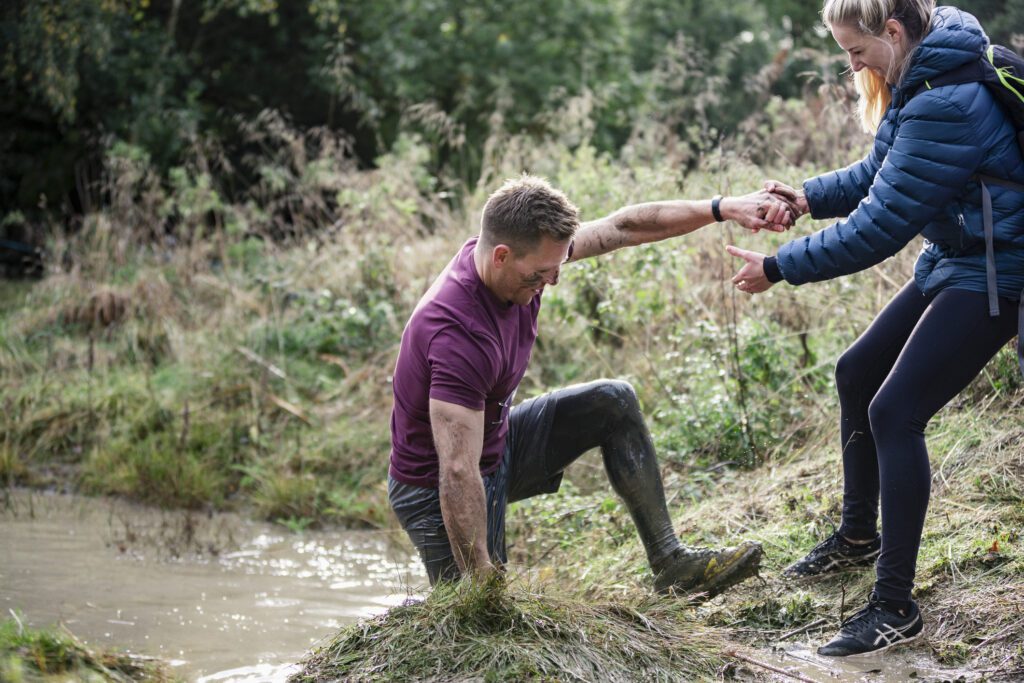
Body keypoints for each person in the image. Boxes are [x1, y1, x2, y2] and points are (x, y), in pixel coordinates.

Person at [727, 0, 1024, 657]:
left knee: (895, 411)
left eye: (856, 52)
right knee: (857, 372)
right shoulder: (925, 69)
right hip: (958, 253)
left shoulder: (945, 100)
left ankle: (895, 606)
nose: (852, 66)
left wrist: (778, 267)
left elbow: (878, 228)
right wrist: (807, 196)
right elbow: (882, 172)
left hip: (1000, 268)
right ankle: (859, 536)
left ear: (892, 32)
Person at [388, 174, 794, 596]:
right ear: (501, 256)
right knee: (481, 609)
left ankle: (671, 562)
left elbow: (623, 227)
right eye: (541, 275)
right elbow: (457, 469)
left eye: (557, 267)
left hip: (496, 445)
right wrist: (481, 581)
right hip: (436, 486)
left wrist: (722, 208)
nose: (553, 281)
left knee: (612, 401)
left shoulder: (521, 256)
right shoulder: (457, 334)